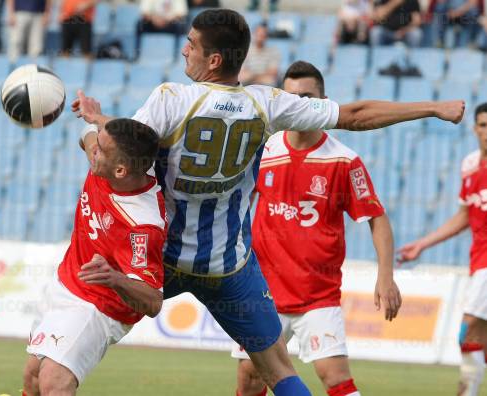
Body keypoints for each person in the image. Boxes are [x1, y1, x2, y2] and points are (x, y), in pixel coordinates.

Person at [72, 8, 464, 396]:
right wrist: (432, 108)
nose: (183, 51)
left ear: (214, 59)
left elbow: (127, 156)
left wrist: (95, 127)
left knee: (72, 336)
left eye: (190, 44)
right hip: (228, 267)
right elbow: (356, 114)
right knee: (276, 369)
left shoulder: (170, 99)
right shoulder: (267, 104)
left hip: (165, 262)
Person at [231, 61, 401, 396]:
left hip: (317, 295)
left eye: (308, 97)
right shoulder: (263, 149)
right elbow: (234, 203)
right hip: (262, 293)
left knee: (335, 378)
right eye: (292, 97)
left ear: (325, 102)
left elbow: (377, 218)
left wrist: (385, 276)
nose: (299, 105)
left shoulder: (343, 160)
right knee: (250, 379)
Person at [22, 118, 167, 395]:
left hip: (99, 305)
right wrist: (94, 119)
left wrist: (114, 279)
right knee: (33, 378)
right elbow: (87, 135)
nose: (93, 151)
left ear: (121, 170)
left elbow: (152, 301)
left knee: (54, 380)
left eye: (100, 149)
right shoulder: (105, 162)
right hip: (66, 282)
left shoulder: (142, 225)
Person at [398, 103, 487, 396]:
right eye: (483, 125)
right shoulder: (470, 165)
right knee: (478, 340)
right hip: (477, 263)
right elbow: (463, 216)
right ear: (475, 129)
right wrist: (423, 243)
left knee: (468, 331)